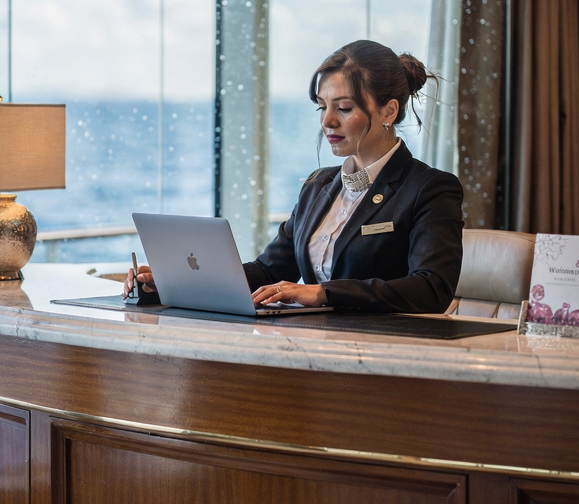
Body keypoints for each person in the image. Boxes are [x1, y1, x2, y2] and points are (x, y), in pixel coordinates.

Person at [124, 39, 464, 313]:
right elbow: (271, 271)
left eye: (344, 108)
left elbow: (431, 288)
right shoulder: (318, 186)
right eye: (322, 106)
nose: (327, 121)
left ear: (388, 110)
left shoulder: (430, 189)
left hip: (386, 356)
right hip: (313, 347)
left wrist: (322, 293)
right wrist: (177, 280)